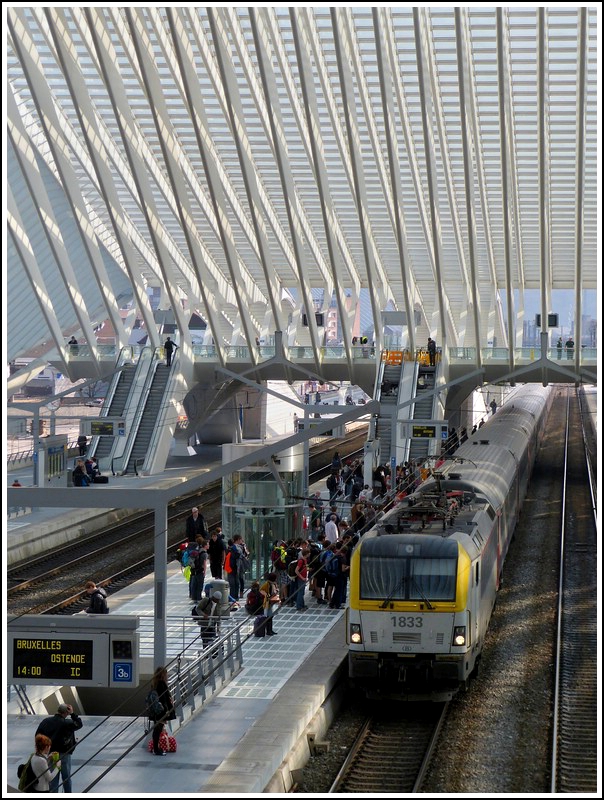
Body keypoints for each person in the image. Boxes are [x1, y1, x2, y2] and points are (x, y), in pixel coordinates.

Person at [36, 703, 83, 792]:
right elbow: (79, 724)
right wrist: (73, 714)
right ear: (66, 712)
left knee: (53, 778)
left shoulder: (46, 721)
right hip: (64, 753)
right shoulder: (67, 723)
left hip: (51, 753)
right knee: (66, 778)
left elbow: (38, 735)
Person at [148, 666, 176, 756]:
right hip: (161, 711)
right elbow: (164, 699)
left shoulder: (155, 684)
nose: (167, 676)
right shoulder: (162, 684)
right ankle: (156, 749)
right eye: (166, 674)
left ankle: (156, 748)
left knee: (157, 729)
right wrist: (167, 711)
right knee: (158, 729)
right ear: (163, 675)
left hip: (156, 710)